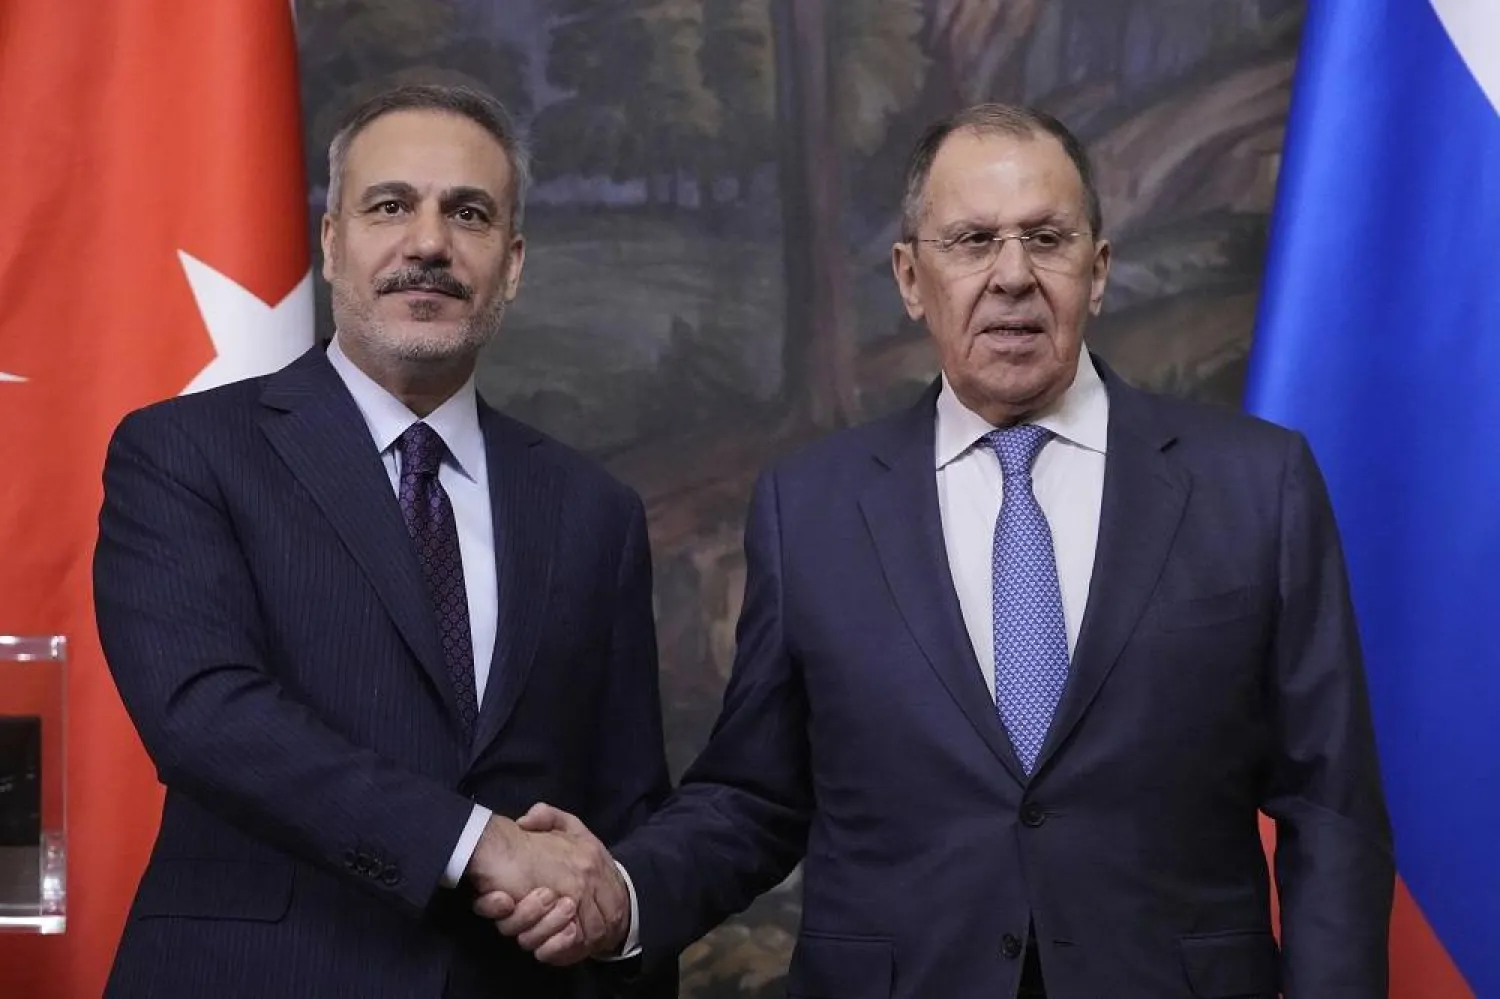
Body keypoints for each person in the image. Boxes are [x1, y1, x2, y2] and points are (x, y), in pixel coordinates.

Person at [487, 104, 1395, 997]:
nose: (1013, 276)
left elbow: (1331, 807)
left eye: (1047, 238)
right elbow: (755, 797)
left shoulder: (1254, 484)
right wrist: (626, 892)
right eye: (972, 240)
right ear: (911, 278)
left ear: (1100, 269)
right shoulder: (811, 507)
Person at [92, 83, 674, 998]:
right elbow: (202, 713)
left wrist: (613, 914)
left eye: (469, 214)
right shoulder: (184, 452)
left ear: (512, 263)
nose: (430, 243)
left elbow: (628, 806)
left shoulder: (593, 509)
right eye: (391, 205)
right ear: (332, 243)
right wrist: (477, 842)